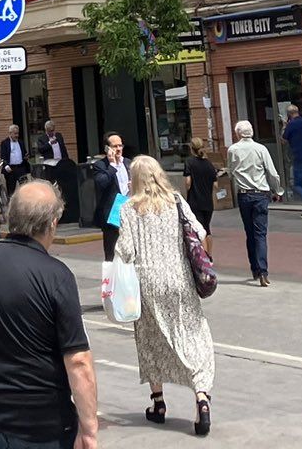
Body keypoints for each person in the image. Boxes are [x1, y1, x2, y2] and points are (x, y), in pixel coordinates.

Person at [0, 182, 99, 449]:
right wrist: (89, 430)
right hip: (44, 425)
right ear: (53, 224)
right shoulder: (57, 276)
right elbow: (78, 361)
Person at [112, 156, 214, 436]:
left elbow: (126, 250)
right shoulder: (177, 201)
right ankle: (201, 396)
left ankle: (158, 403)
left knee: (150, 339)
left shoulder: (129, 208)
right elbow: (200, 231)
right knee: (193, 334)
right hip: (179, 279)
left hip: (147, 285)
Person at [225, 121, 282, 287]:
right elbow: (272, 172)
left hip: (244, 195)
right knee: (260, 234)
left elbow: (231, 171)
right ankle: (264, 271)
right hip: (261, 194)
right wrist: (277, 190)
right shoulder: (261, 149)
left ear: (237, 134)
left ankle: (255, 270)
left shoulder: (233, 150)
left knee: (249, 233)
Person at [89, 133, 131, 260]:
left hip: (130, 210)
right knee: (111, 253)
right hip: (112, 214)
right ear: (107, 148)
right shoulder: (100, 166)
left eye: (120, 145)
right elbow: (101, 183)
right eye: (114, 146)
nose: (118, 149)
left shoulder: (129, 163)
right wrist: (112, 166)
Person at [182, 143, 218, 237]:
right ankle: (209, 251)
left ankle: (202, 251)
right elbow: (216, 185)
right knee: (207, 229)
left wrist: (187, 192)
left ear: (191, 149)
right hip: (208, 201)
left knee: (198, 229)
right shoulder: (209, 164)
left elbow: (188, 183)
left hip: (195, 200)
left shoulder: (189, 162)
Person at [1, 123, 30, 195]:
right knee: (11, 190)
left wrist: (26, 157)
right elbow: (3, 156)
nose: (17, 135)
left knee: (25, 188)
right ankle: (11, 204)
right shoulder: (5, 143)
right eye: (15, 133)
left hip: (21, 168)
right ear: (10, 133)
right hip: (11, 169)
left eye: (17, 133)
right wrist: (6, 165)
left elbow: (24, 153)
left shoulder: (21, 142)